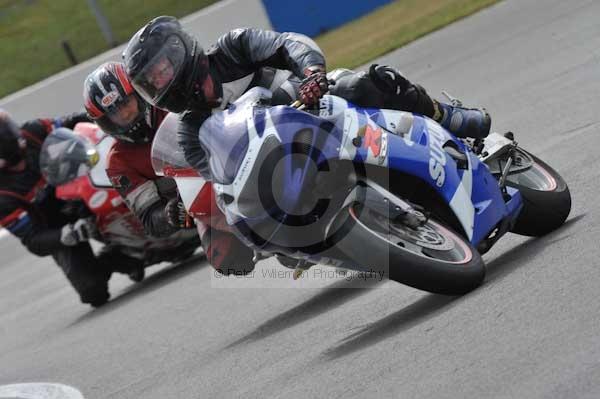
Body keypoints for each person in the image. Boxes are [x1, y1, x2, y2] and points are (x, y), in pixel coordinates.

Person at [122, 16, 491, 180]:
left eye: (160, 70)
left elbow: (289, 43)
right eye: (150, 82)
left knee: (364, 83)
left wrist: (313, 74)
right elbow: (219, 179)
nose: (160, 82)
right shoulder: (191, 131)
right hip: (286, 165)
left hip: (319, 107)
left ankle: (447, 116)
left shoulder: (234, 48)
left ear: (178, 50)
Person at [83, 61, 253, 275]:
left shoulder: (172, 101)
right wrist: (170, 214)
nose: (125, 115)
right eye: (115, 113)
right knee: (227, 259)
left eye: (125, 103)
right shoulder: (118, 162)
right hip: (205, 206)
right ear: (105, 121)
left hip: (235, 170)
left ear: (138, 94)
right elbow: (149, 217)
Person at [0, 110, 140, 307]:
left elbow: (75, 122)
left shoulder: (34, 130)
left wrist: (104, 117)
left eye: (6, 127)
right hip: (57, 224)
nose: (11, 133)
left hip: (83, 189)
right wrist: (66, 235)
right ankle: (117, 258)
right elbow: (32, 239)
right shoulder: (3, 196)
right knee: (93, 291)